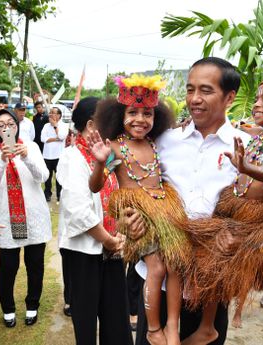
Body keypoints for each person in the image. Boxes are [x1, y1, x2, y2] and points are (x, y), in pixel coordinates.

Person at [181, 60, 263, 343]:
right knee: (207, 257)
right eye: (256, 98)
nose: (257, 104)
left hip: (251, 214)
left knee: (216, 262)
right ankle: (203, 321)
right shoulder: (261, 134)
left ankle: (207, 327)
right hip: (235, 204)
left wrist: (246, 168)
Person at [126, 57, 249, 345]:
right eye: (190, 89)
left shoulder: (245, 148)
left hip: (209, 284)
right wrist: (128, 220)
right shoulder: (164, 140)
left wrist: (236, 234)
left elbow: (258, 209)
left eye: (206, 91)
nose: (194, 99)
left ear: (229, 97)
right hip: (160, 284)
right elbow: (137, 190)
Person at [88, 74, 190, 345]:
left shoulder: (154, 145)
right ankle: (153, 328)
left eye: (147, 113)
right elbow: (95, 186)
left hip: (165, 210)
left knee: (176, 265)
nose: (140, 119)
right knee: (155, 268)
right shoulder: (115, 148)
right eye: (132, 112)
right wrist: (100, 163)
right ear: (119, 115)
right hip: (138, 214)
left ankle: (172, 327)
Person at [56, 97, 131, 345]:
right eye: (108, 121)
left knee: (116, 317)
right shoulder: (72, 157)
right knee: (86, 319)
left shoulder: (109, 156)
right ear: (91, 125)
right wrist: (107, 239)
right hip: (85, 252)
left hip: (112, 247)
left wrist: (119, 234)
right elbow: (77, 209)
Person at [0, 108, 51, 328]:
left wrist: (26, 156)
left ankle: (32, 305)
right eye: (1, 125)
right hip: (6, 218)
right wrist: (2, 161)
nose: (6, 128)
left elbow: (43, 176)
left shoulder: (30, 146)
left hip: (33, 217)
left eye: (10, 123)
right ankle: (8, 309)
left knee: (35, 266)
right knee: (8, 267)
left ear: (17, 124)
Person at [40, 106, 68, 202]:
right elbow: (42, 139)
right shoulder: (46, 126)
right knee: (47, 176)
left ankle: (59, 195)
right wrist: (56, 139)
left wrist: (55, 126)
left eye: (53, 112)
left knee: (59, 176)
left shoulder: (64, 125)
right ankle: (47, 194)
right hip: (47, 155)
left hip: (59, 155)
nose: (50, 114)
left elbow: (62, 136)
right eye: (50, 112)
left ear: (59, 115)